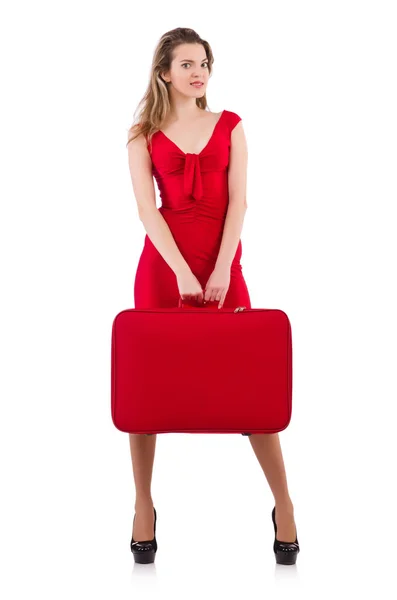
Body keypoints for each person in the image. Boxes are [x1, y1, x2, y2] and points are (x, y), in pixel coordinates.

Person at [126, 27, 299, 565]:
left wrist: (222, 268)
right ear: (164, 73)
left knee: (252, 388)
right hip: (164, 270)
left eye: (203, 62)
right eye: (185, 64)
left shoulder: (231, 126)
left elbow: (239, 203)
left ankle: (285, 504)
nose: (198, 71)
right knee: (145, 392)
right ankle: (143, 505)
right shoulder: (141, 134)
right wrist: (180, 271)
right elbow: (147, 212)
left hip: (223, 265)